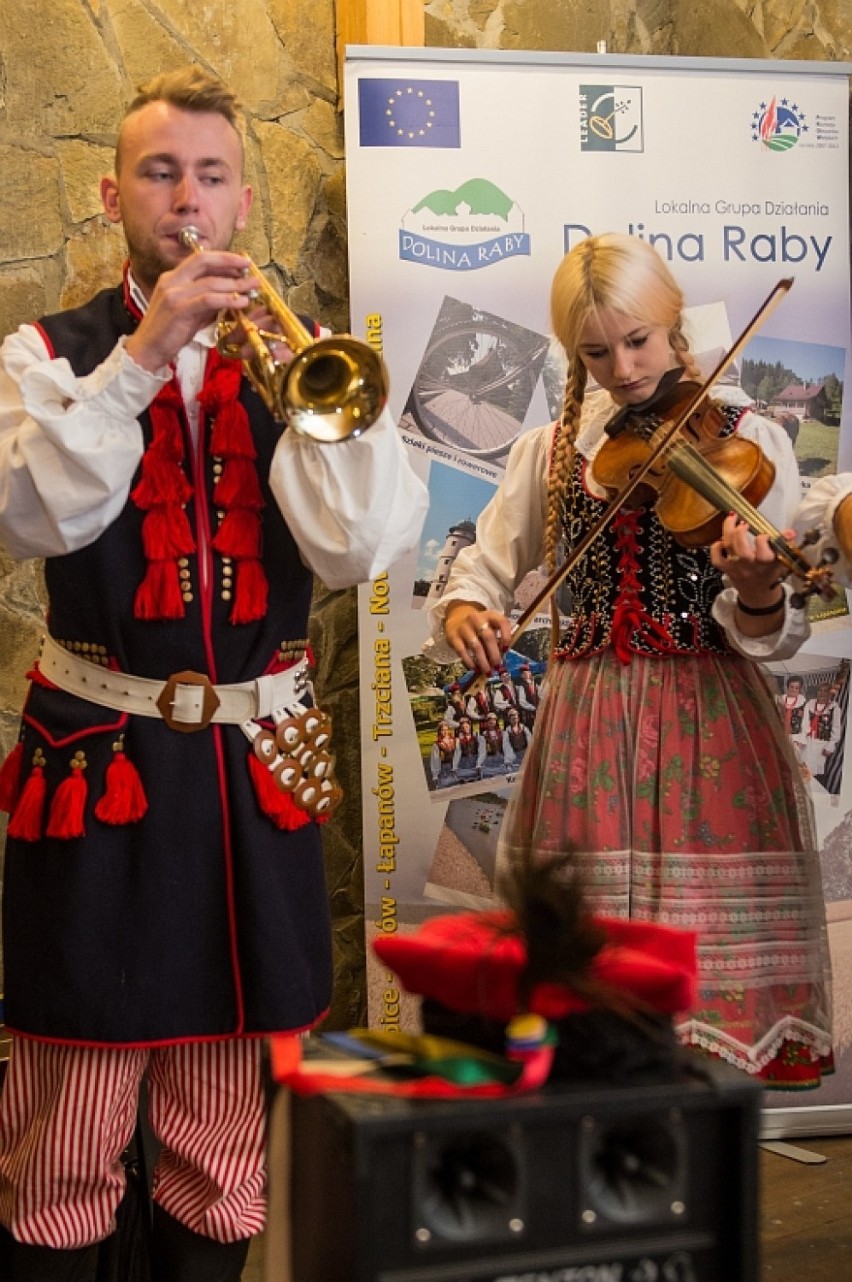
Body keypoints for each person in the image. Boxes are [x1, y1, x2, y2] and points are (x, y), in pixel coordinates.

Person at [0, 67, 428, 1281]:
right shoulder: (46, 355)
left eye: (210, 174)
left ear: (242, 200)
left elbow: (354, 549)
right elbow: (32, 512)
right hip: (104, 764)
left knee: (224, 1124)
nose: (186, 197)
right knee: (68, 1118)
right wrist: (141, 359)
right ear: (110, 193)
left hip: (255, 771)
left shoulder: (304, 358)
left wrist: (305, 412)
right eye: (158, 170)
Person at [426, 232, 832, 1089]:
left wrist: (759, 589)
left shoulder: (749, 440)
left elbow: (775, 632)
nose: (623, 369)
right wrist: (467, 606)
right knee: (591, 994)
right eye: (597, 352)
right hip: (587, 731)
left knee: (707, 996)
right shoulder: (555, 450)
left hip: (712, 725)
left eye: (639, 341)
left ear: (673, 323)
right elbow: (487, 560)